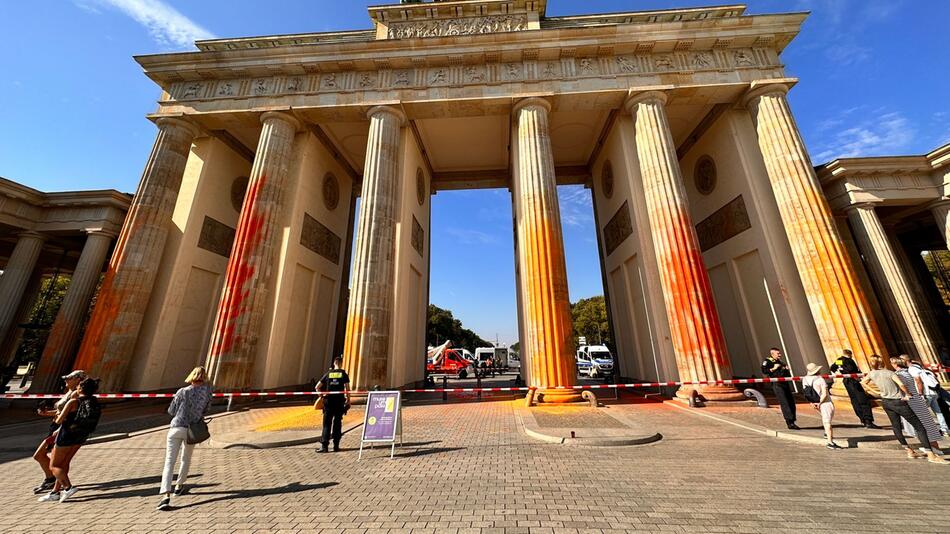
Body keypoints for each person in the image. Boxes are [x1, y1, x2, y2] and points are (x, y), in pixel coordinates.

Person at [861, 355, 947, 464]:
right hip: (904, 400)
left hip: (892, 401)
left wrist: (876, 393)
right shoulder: (895, 373)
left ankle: (915, 450)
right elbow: (903, 384)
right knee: (922, 425)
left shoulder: (876, 373)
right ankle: (932, 451)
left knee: (899, 426)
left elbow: (863, 382)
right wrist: (909, 393)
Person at [157, 366, 213, 511]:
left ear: (191, 376)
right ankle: (179, 486)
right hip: (192, 429)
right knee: (186, 458)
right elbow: (206, 409)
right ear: (204, 377)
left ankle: (165, 496)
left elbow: (171, 411)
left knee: (169, 462)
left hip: (176, 428)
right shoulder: (207, 392)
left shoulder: (182, 391)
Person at [38, 377, 101, 502]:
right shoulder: (93, 402)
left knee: (54, 466)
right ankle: (55, 492)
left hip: (66, 436)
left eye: (78, 386)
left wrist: (54, 415)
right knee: (64, 463)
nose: (76, 388)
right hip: (81, 436)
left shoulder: (73, 402)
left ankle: (68, 488)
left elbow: (59, 420)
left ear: (81, 388)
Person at [32, 370, 85, 495]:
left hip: (61, 428)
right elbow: (61, 411)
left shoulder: (75, 395)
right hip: (56, 425)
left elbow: (69, 414)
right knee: (55, 460)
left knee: (40, 455)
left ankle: (56, 482)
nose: (66, 380)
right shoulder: (69, 393)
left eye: (69, 378)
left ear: (78, 380)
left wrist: (59, 428)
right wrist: (47, 413)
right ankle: (54, 482)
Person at [891, 357, 945, 456]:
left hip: (911, 400)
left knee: (919, 424)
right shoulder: (908, 371)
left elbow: (902, 386)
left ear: (896, 364)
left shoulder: (900, 374)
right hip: (917, 399)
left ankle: (931, 447)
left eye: (892, 363)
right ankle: (934, 446)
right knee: (927, 422)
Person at [830, 349, 879, 428]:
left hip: (846, 381)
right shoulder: (849, 360)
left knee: (854, 400)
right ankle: (868, 420)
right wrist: (858, 373)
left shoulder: (840, 360)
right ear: (849, 354)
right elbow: (851, 369)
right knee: (863, 400)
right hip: (853, 381)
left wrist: (840, 372)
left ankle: (862, 419)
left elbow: (832, 368)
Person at [903, 356, 948, 437]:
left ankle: (927, 431)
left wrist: (920, 393)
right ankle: (945, 430)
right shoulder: (920, 368)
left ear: (905, 361)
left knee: (920, 413)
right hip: (933, 392)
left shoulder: (912, 369)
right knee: (938, 412)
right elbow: (935, 376)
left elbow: (918, 380)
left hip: (926, 393)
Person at [802, 363, 841, 449]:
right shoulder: (820, 379)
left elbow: (806, 392)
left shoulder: (805, 379)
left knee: (825, 418)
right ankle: (830, 442)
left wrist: (812, 402)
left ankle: (827, 434)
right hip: (825, 402)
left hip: (814, 401)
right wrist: (820, 402)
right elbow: (824, 394)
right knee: (827, 422)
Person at [316, 356, 350, 453]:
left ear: (334, 363)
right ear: (341, 363)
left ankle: (324, 446)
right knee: (337, 423)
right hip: (339, 401)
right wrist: (348, 400)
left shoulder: (328, 374)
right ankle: (336, 445)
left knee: (327, 424)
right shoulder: (343, 374)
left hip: (328, 402)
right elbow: (347, 389)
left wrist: (321, 396)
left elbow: (317, 387)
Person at [761, 348, 798, 430]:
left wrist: (786, 369)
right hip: (777, 384)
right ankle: (789, 422)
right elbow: (764, 370)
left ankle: (793, 420)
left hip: (785, 383)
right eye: (778, 353)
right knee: (784, 402)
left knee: (791, 401)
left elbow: (786, 373)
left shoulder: (780, 362)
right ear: (772, 354)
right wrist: (773, 368)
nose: (780, 355)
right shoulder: (768, 361)